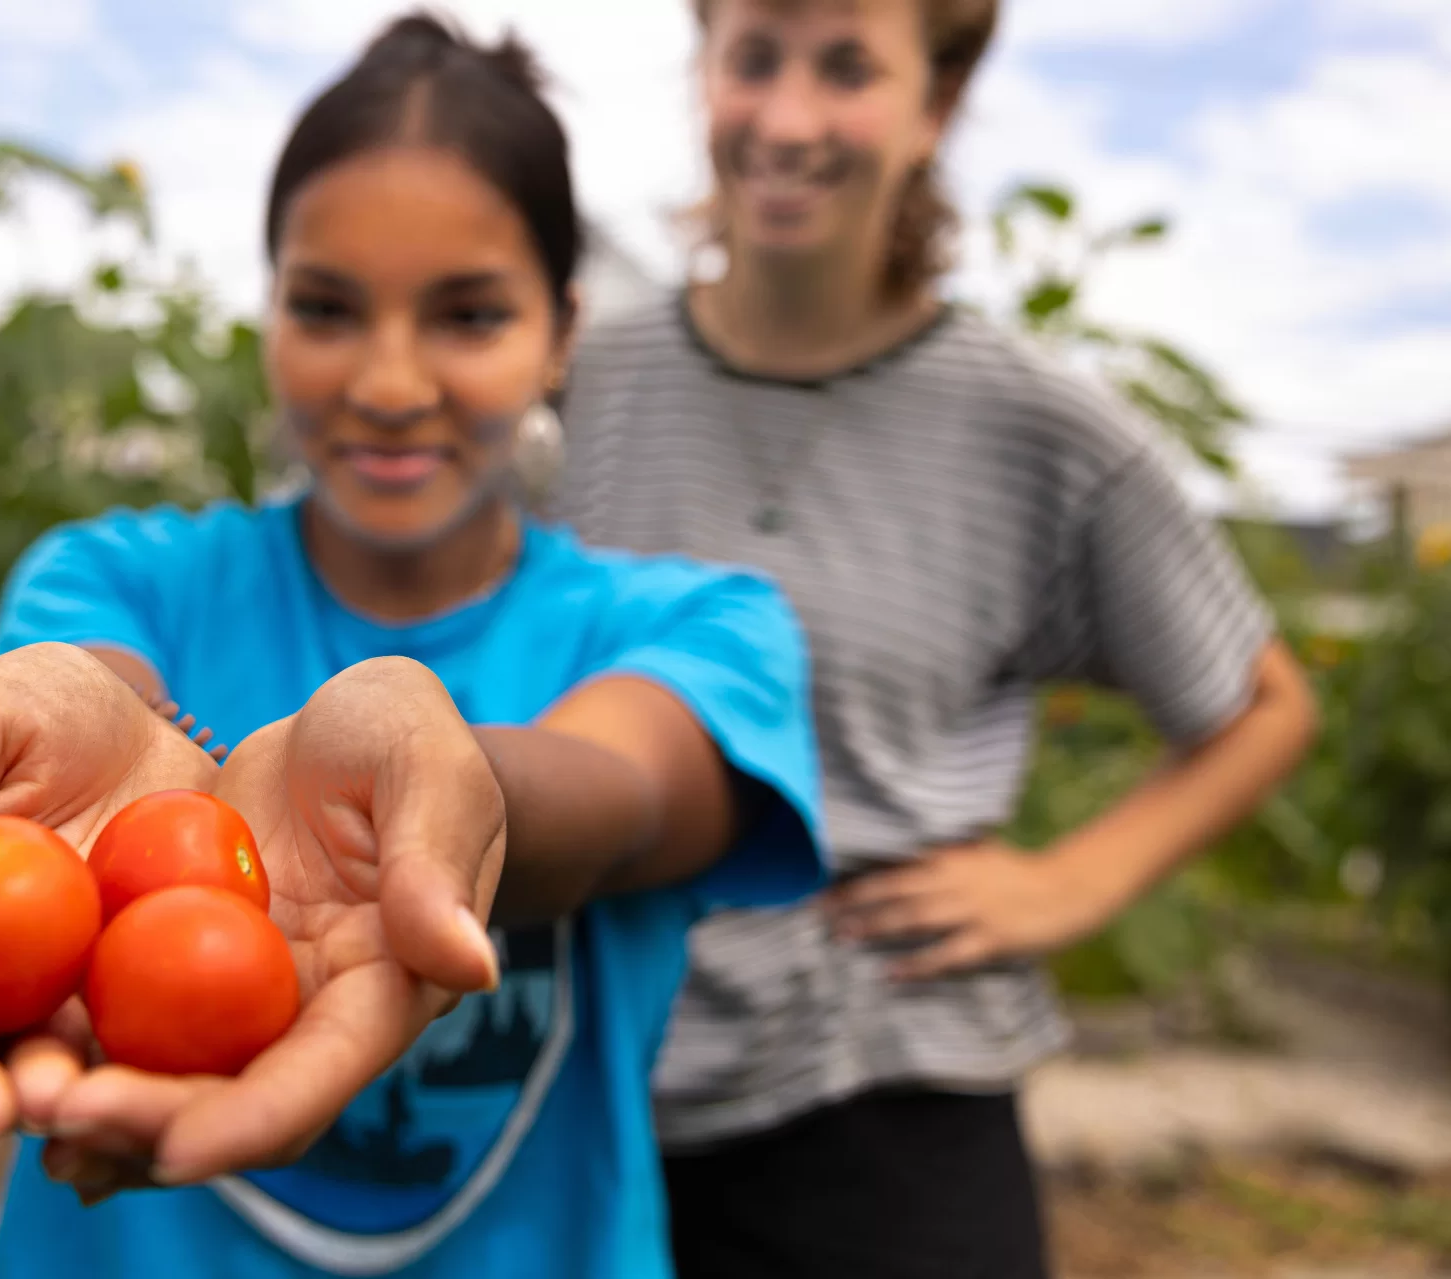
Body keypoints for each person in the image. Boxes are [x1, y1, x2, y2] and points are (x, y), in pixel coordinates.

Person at [0, 13, 826, 1279]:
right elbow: (93, 692)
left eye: (468, 316)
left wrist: (446, 792)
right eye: (327, 308)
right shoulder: (115, 575)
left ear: (560, 332)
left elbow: (626, 794)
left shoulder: (697, 625)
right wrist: (76, 756)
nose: (389, 381)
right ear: (269, 310)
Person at [548, 1, 1321, 1275]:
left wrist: (1070, 881)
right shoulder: (587, 377)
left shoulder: (1038, 429)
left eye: (847, 67)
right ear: (703, 73)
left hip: (883, 1100)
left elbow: (1260, 704)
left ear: (935, 108)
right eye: (753, 58)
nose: (787, 117)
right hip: (598, 1083)